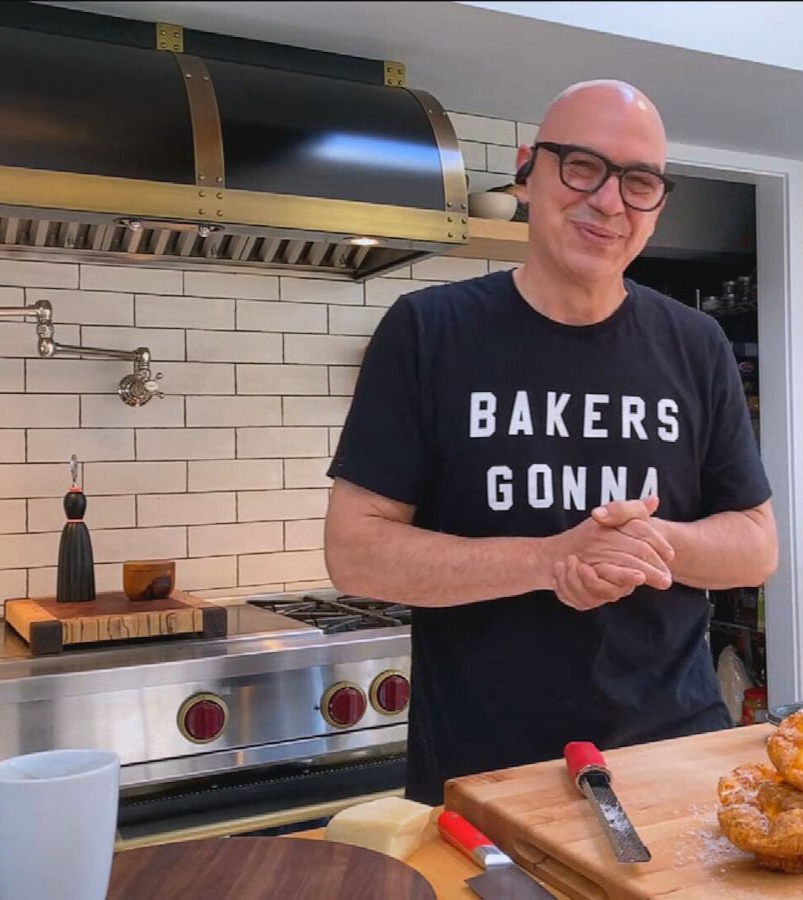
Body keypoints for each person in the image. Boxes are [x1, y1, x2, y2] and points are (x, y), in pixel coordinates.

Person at [323, 79, 778, 805]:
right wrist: (549, 559)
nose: (608, 201)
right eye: (581, 167)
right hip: (487, 768)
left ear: (657, 206)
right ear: (528, 172)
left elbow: (756, 545)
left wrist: (646, 543)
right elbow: (355, 553)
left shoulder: (697, 344)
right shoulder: (428, 332)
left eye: (639, 182)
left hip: (674, 754)